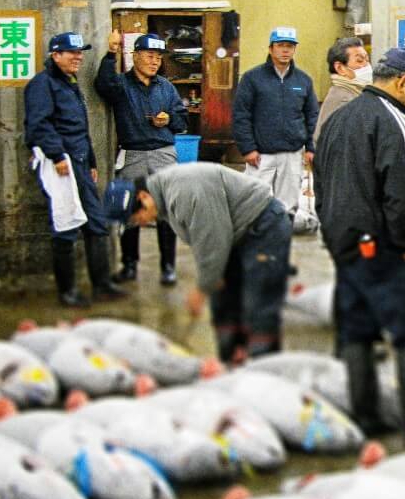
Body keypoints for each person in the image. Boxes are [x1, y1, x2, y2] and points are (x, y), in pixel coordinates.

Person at [313, 47, 405, 435]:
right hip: (387, 248)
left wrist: (338, 237)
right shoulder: (394, 120)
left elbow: (320, 185)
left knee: (357, 332)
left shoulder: (337, 118)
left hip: (346, 244)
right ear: (404, 81)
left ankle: (365, 417)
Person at [106, 166, 291, 363]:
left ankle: (263, 371)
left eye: (136, 219)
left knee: (258, 303)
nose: (140, 223)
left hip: (263, 225)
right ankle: (232, 361)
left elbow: (214, 240)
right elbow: (203, 240)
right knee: (223, 302)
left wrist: (202, 289)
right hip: (235, 234)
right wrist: (213, 276)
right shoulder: (164, 198)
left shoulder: (183, 192)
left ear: (143, 197)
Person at [24, 31, 124, 307]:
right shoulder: (42, 84)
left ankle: (102, 285)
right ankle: (66, 292)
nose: (78, 57)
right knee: (66, 225)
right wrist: (57, 156)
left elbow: (80, 127)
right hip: (61, 165)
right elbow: (38, 125)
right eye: (72, 52)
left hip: (80, 163)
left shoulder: (70, 83)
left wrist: (91, 161)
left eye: (80, 52)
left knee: (97, 224)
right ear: (56, 55)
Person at [94, 31, 187, 286]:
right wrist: (110, 53)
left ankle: (168, 267)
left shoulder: (166, 88)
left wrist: (169, 119)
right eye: (149, 55)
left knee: (165, 211)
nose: (155, 61)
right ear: (135, 56)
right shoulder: (121, 85)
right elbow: (102, 85)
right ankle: (129, 265)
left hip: (163, 154)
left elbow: (182, 121)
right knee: (129, 210)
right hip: (132, 155)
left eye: (158, 57)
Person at [232, 26, 319, 223]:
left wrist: (311, 148)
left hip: (292, 154)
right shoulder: (252, 78)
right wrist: (248, 148)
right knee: (253, 200)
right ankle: (253, 239)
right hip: (260, 155)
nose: (285, 50)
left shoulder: (303, 80)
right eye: (280, 46)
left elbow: (312, 115)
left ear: (294, 49)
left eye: (290, 46)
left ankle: (281, 236)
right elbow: (241, 115)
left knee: (287, 205)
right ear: (271, 49)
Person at [313, 37, 371, 147]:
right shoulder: (344, 100)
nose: (366, 66)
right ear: (340, 68)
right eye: (359, 60)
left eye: (367, 60)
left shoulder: (353, 93)